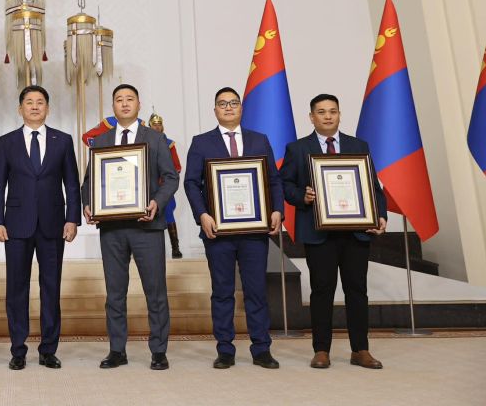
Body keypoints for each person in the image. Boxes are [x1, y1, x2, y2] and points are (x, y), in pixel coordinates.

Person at [281, 93, 387, 370]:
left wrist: (381, 215)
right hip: (319, 234)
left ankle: (360, 349)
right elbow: (285, 185)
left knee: (357, 290)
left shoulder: (358, 145)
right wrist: (302, 196)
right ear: (311, 117)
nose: (328, 116)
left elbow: (373, 185)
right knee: (322, 291)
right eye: (321, 112)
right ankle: (321, 350)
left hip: (356, 232)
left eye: (333, 111)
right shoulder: (297, 148)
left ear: (339, 114)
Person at [184, 87, 283, 370]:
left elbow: (273, 179)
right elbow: (191, 182)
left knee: (256, 290)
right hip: (218, 232)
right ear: (214, 110)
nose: (228, 107)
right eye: (222, 103)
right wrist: (202, 214)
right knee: (222, 291)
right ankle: (225, 350)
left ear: (241, 108)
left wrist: (277, 210)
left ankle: (261, 349)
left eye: (233, 103)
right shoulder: (201, 142)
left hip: (254, 232)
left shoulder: (259, 140)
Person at [81, 84, 178, 371]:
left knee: (155, 291)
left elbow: (171, 178)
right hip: (112, 229)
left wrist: (157, 202)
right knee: (115, 293)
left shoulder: (156, 139)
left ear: (138, 104)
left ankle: (158, 351)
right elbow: (88, 182)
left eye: (130, 99)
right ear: (113, 106)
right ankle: (117, 350)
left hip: (147, 226)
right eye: (119, 100)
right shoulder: (101, 141)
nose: (124, 104)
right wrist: (88, 204)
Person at [0, 85, 81, 370]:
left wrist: (72, 218)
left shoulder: (62, 140)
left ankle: (48, 350)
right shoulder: (6, 142)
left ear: (47, 108)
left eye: (40, 102)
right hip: (16, 226)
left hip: (53, 225)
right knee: (16, 288)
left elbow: (72, 183)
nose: (34, 106)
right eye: (29, 102)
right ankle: (18, 350)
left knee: (50, 287)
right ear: (20, 109)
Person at [148, 109, 184, 259]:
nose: (157, 127)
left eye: (159, 124)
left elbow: (176, 167)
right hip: (148, 187)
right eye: (154, 125)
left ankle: (175, 248)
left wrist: (165, 180)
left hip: (164, 188)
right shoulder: (144, 143)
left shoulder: (169, 144)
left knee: (168, 214)